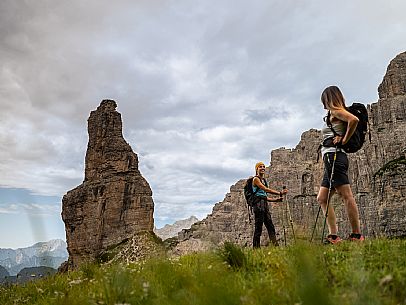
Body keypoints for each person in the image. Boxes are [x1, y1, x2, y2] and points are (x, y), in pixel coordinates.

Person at [317, 85, 365, 244]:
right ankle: (334, 236)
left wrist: (344, 140)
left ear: (329, 99)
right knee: (322, 198)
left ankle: (356, 235)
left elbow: (354, 120)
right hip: (331, 159)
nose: (323, 104)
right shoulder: (333, 113)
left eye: (324, 100)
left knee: (346, 196)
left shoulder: (336, 111)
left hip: (335, 157)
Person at [252, 162, 288, 248]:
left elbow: (264, 197)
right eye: (260, 167)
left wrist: (276, 200)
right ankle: (256, 248)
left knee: (270, 226)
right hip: (258, 205)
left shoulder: (264, 180)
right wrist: (279, 193)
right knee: (258, 227)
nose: (262, 168)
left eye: (263, 166)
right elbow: (265, 189)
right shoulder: (256, 179)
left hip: (264, 204)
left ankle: (275, 246)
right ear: (256, 169)